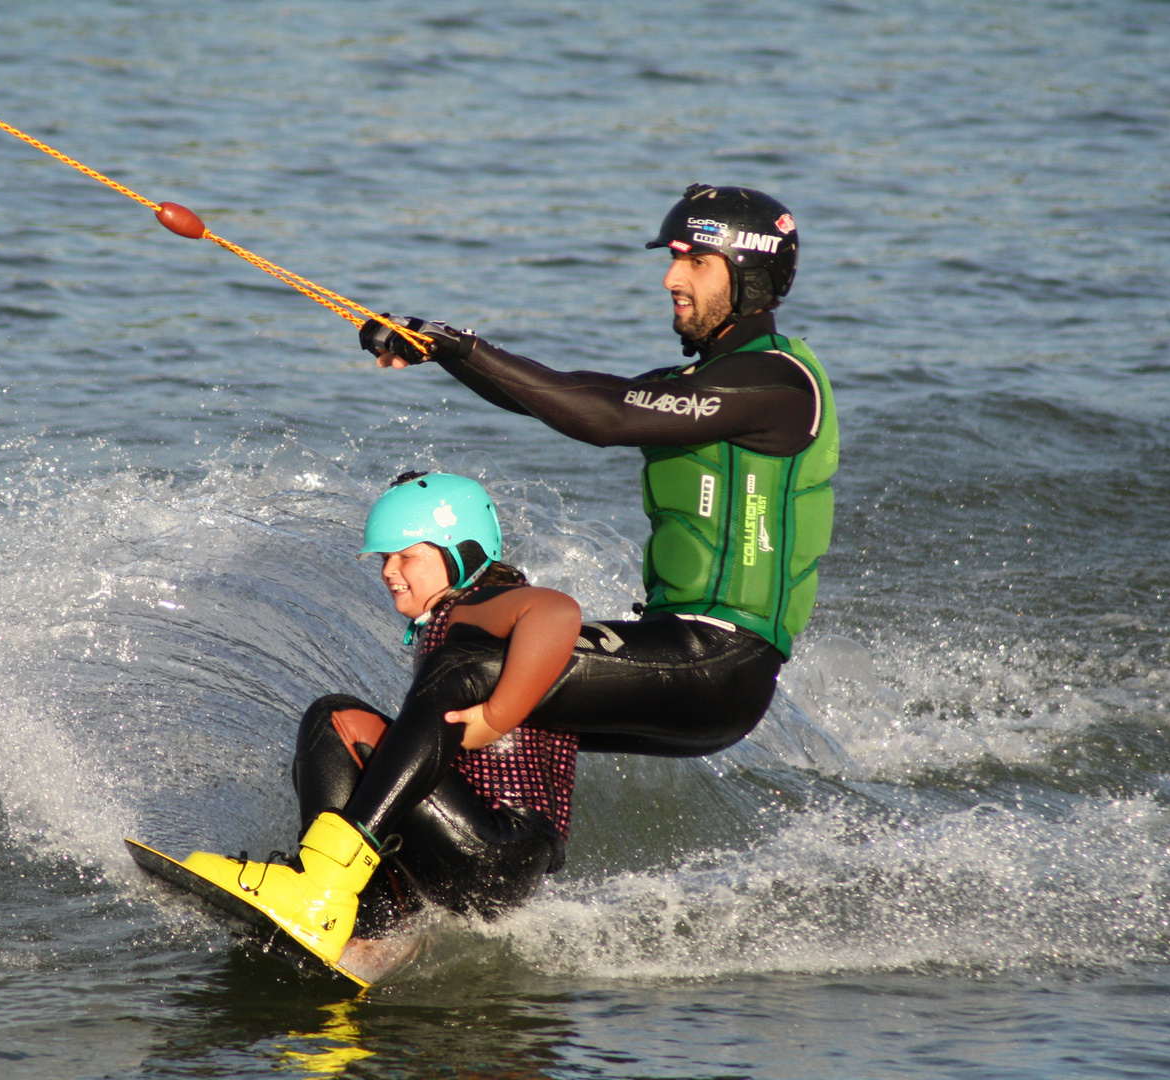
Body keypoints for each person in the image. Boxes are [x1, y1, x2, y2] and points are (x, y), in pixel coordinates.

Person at [352, 186, 837, 747]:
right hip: (676, 649)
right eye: (674, 259)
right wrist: (438, 348)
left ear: (751, 275)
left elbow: (604, 419)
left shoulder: (778, 385)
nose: (671, 279)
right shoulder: (691, 388)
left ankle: (355, 835)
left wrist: (463, 347)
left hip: (719, 664)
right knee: (492, 681)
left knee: (474, 665)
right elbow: (560, 393)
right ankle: (485, 835)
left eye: (696, 262)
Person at [168, 472, 585, 964]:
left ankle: (319, 893)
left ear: (462, 555)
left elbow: (557, 611)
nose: (389, 570)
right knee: (375, 766)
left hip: (497, 844)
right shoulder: (466, 614)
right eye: (385, 558)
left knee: (336, 722)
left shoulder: (476, 606)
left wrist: (497, 716)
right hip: (500, 860)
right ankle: (372, 930)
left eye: (407, 556)